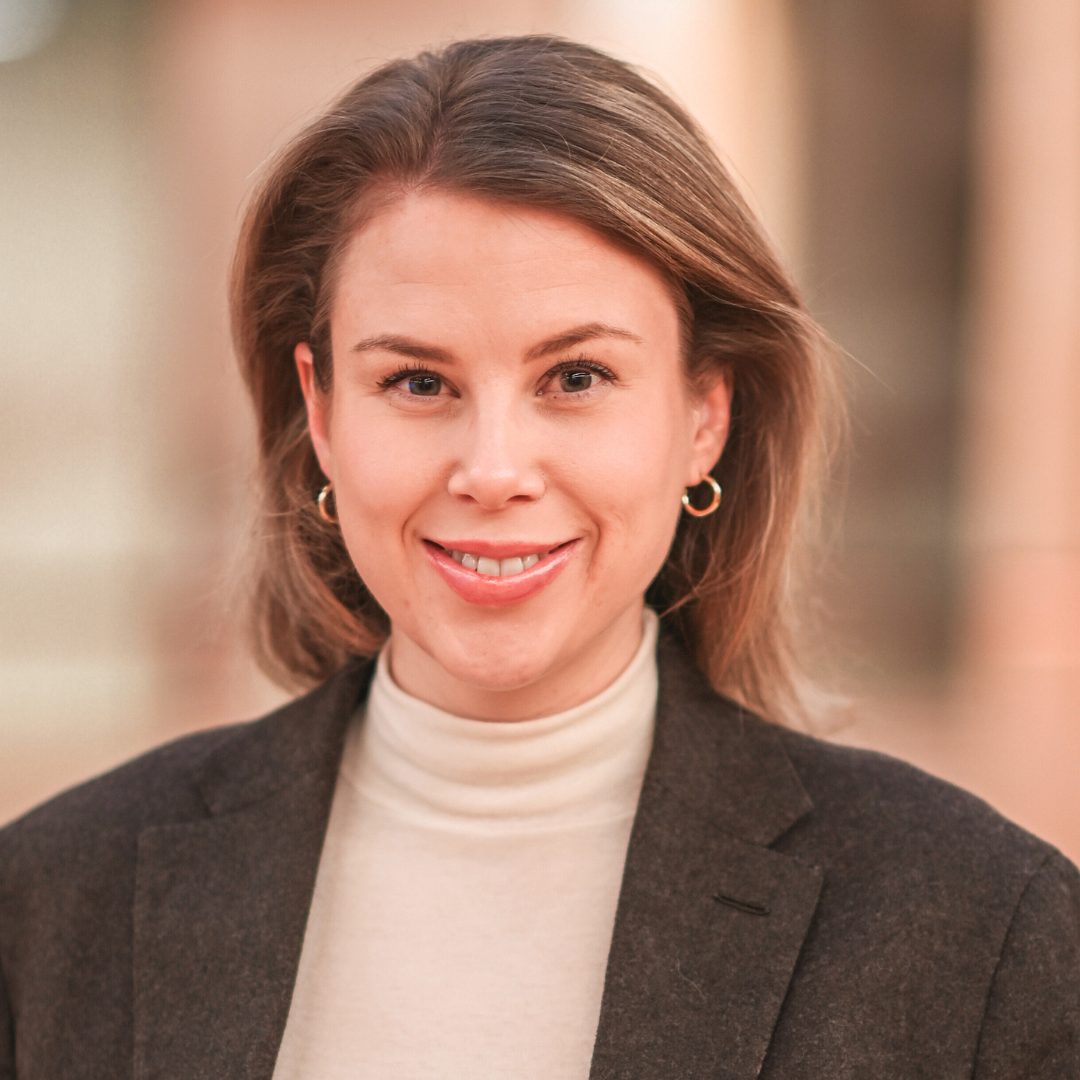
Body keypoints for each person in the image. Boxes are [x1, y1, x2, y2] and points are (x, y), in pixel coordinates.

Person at [1, 35, 1077, 1080]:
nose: (494, 469)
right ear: (321, 412)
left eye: (576, 378)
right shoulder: (49, 906)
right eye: (418, 383)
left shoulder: (986, 933)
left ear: (704, 414)